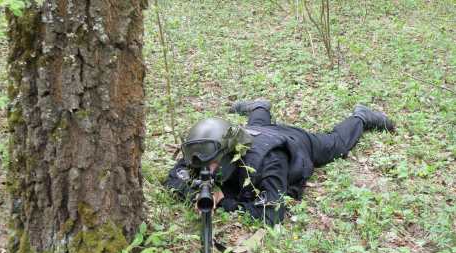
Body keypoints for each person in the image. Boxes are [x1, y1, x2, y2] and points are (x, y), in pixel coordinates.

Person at [162, 100, 393, 225]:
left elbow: (272, 215)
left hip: (294, 141)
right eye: (199, 164)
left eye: (211, 165)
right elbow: (173, 178)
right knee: (260, 126)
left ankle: (360, 116)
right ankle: (259, 107)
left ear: (229, 153)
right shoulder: (206, 148)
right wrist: (198, 194)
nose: (203, 170)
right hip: (255, 130)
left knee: (336, 145)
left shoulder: (268, 163)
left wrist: (223, 201)